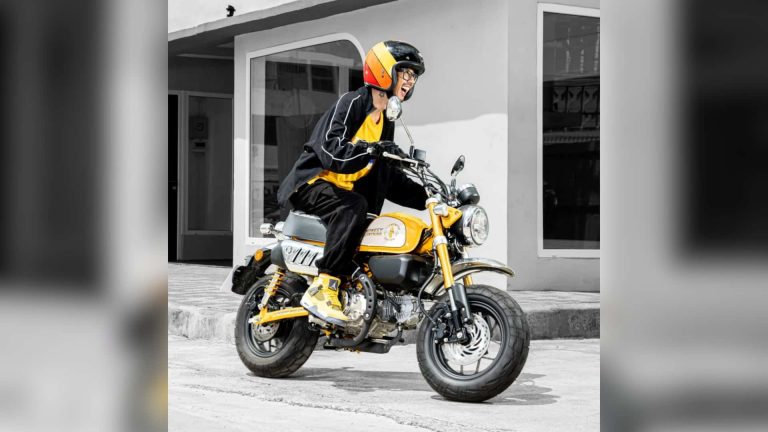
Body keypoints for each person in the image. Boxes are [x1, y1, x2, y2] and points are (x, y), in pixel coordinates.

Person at [276, 40, 428, 327]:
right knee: (353, 206)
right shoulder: (352, 103)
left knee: (372, 221)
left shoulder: (385, 120)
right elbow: (330, 149)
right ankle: (324, 287)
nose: (410, 80)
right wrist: (371, 150)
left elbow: (387, 177)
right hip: (312, 183)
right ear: (383, 70)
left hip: (341, 194)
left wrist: (428, 196)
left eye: (413, 75)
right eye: (405, 72)